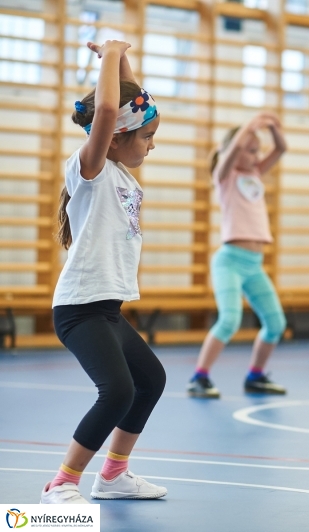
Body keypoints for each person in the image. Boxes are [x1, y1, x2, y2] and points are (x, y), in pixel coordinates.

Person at [43, 40, 166, 503]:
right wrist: (112, 52)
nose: (152, 146)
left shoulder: (119, 172)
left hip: (107, 310)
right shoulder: (90, 168)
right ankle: (62, 485)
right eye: (148, 137)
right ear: (113, 134)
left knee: (149, 381)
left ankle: (113, 476)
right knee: (115, 391)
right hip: (79, 309)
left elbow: (131, 99)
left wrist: (124, 66)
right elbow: (114, 108)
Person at [186, 113, 288, 398]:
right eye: (251, 150)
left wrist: (272, 129)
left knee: (276, 323)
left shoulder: (254, 174)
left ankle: (255, 375)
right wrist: (248, 127)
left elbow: (280, 149)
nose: (257, 156)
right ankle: (199, 377)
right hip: (230, 260)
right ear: (233, 149)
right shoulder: (225, 176)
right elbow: (230, 153)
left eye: (258, 151)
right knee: (230, 320)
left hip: (254, 265)